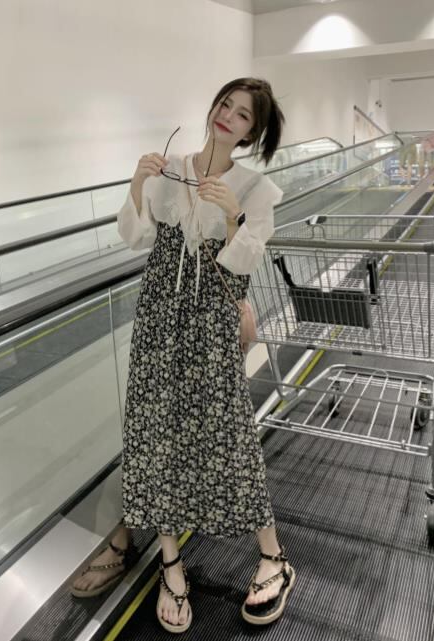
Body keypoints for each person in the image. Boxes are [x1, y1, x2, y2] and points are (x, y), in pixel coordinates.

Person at [71, 77, 296, 632]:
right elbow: (135, 238)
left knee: (228, 432)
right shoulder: (171, 169)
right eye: (225, 104)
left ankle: (273, 556)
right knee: (154, 432)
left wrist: (233, 216)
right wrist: (136, 182)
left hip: (211, 322)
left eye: (242, 115)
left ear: (252, 133)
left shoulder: (255, 188)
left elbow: (243, 265)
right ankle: (170, 565)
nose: (227, 116)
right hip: (158, 318)